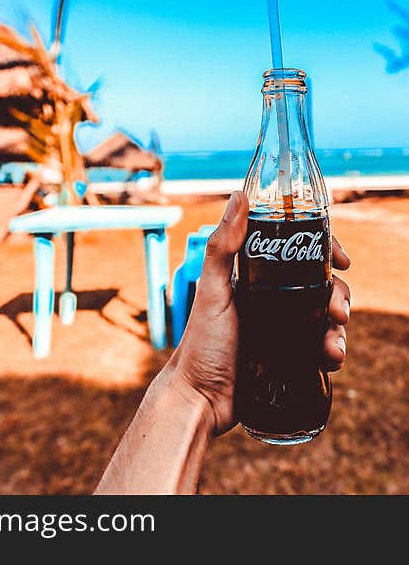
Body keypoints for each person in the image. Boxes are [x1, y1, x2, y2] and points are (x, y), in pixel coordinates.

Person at [95, 191, 352, 494]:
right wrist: (195, 389)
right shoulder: (260, 211)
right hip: (254, 380)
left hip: (301, 386)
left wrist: (195, 394)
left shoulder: (307, 209)